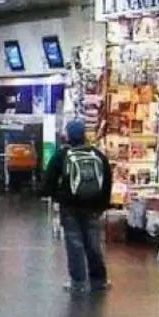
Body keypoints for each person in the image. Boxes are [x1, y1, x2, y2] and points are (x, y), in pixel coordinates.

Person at [42, 120, 113, 293]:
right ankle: (99, 280)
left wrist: (56, 196)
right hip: (93, 206)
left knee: (74, 243)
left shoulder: (62, 155)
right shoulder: (97, 154)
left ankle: (78, 282)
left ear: (67, 135)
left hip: (70, 206)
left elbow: (49, 180)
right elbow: (107, 179)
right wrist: (103, 204)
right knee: (93, 243)